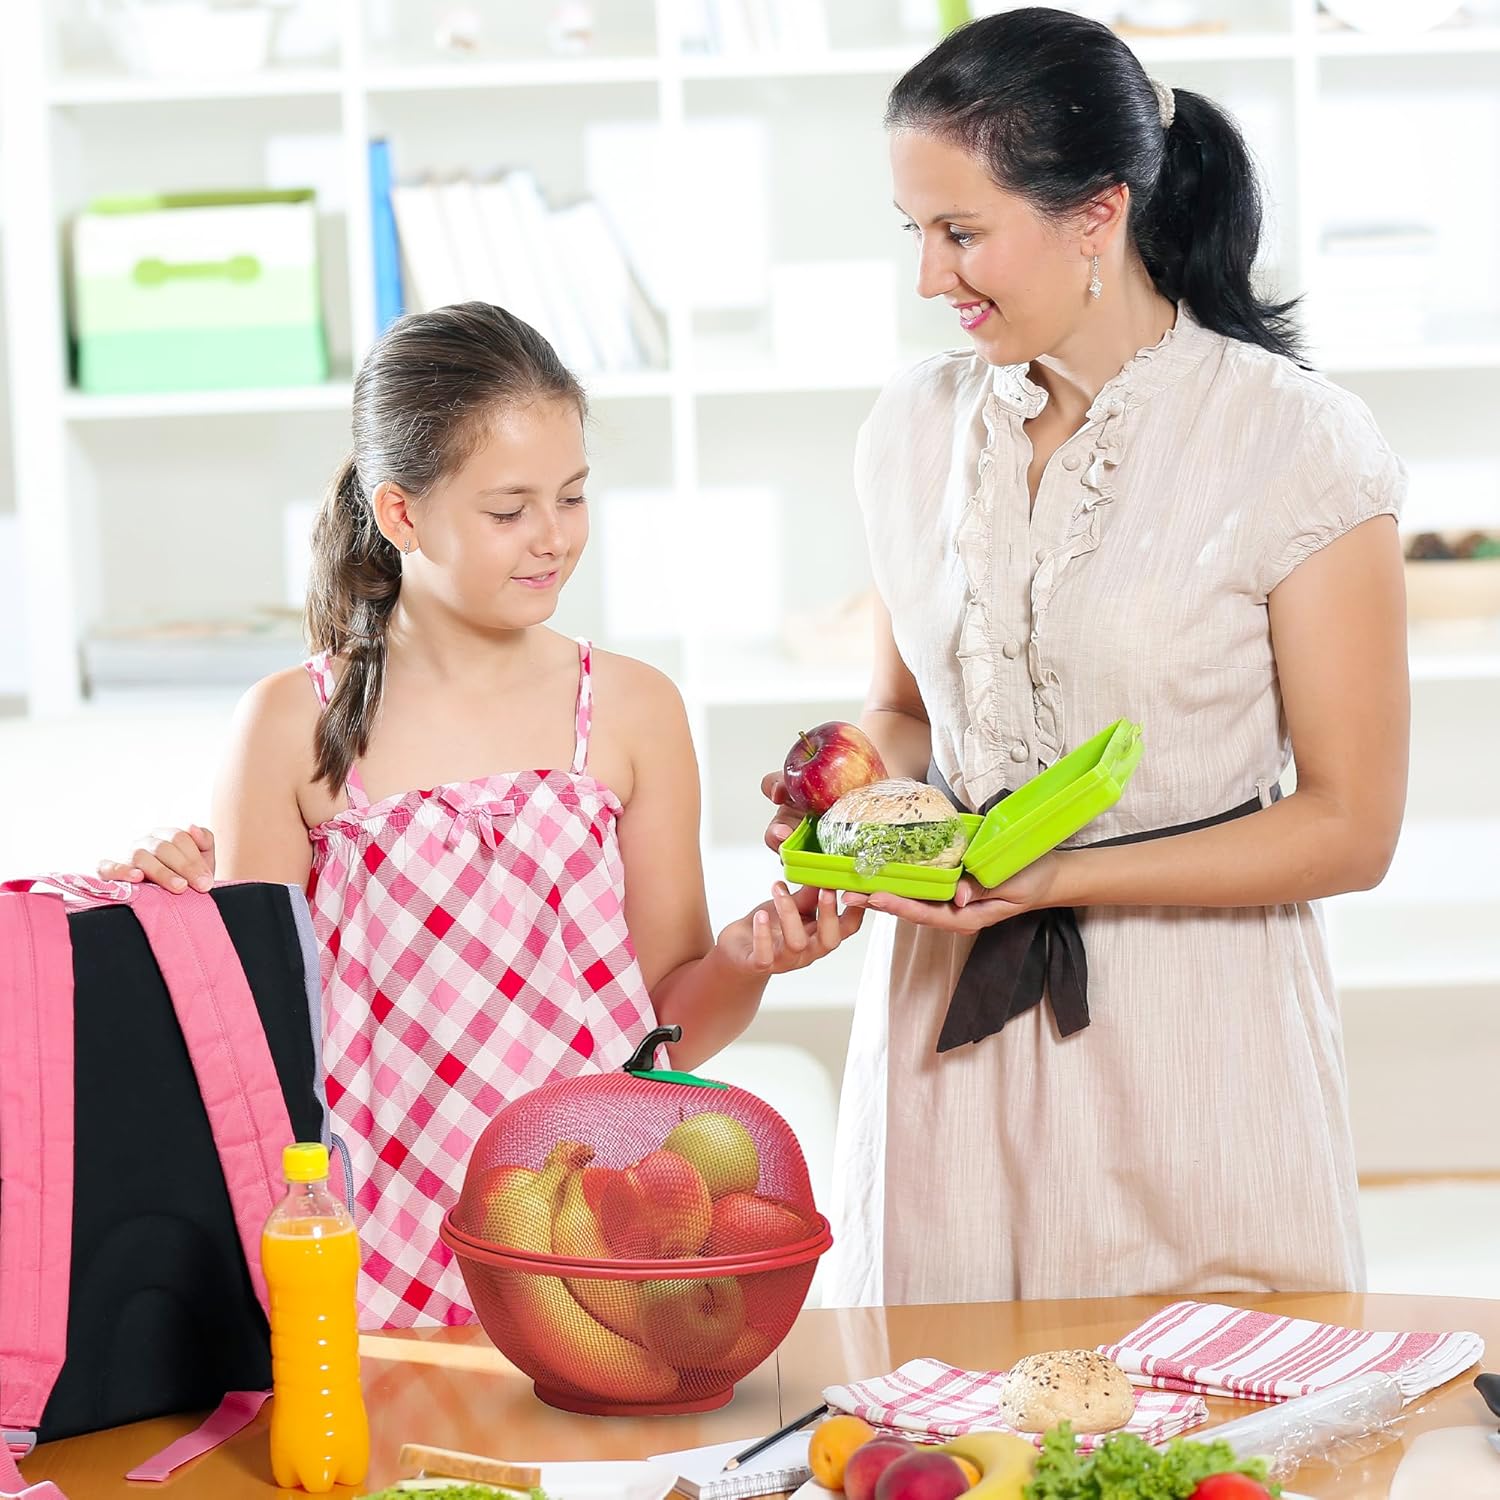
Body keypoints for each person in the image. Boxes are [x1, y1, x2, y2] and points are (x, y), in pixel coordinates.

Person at [764, 8, 1408, 1306]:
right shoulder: (912, 429)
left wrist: (1060, 875)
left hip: (1192, 1034)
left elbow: (1350, 827)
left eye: (961, 232)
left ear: (1095, 214)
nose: (930, 280)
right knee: (949, 1431)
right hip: (947, 1031)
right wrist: (842, 799)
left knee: (1217, 1426)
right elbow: (902, 709)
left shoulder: (1298, 447)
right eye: (915, 233)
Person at [101, 302, 862, 1325]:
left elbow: (666, 1036)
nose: (553, 540)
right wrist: (175, 918)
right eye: (509, 511)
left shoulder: (632, 711)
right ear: (403, 514)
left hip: (587, 1262)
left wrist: (746, 960)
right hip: (366, 1273)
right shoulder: (289, 726)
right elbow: (255, 1053)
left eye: (573, 497)